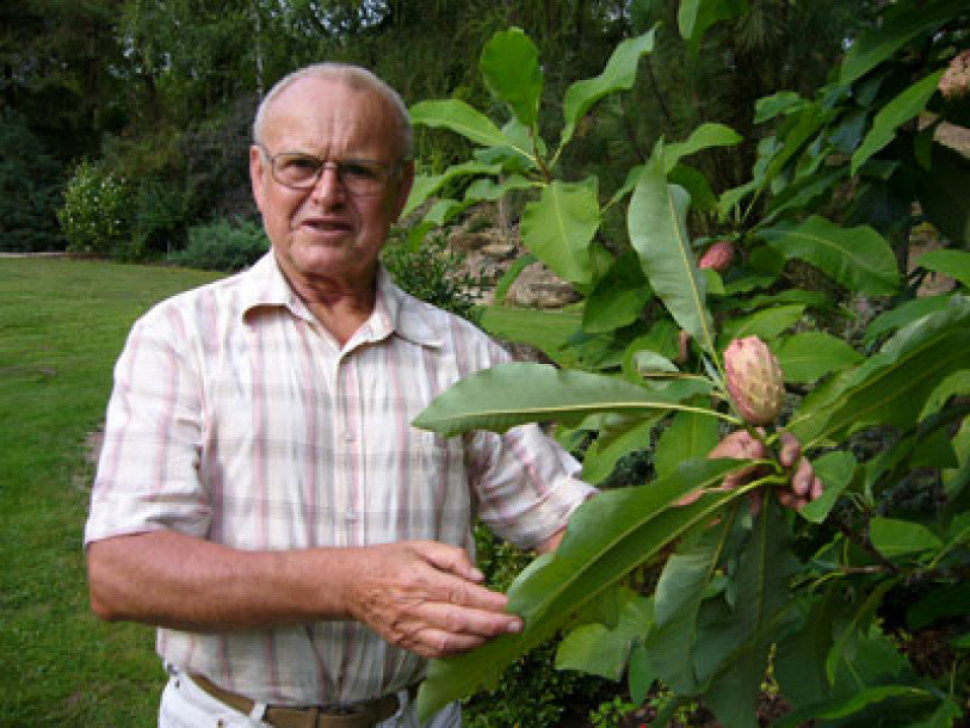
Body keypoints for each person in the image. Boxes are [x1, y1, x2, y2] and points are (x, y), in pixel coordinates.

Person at [85, 63, 822, 728]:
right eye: (301, 165)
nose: (327, 193)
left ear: (402, 188)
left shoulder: (461, 356)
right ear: (259, 176)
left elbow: (573, 534)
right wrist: (349, 584)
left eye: (361, 171)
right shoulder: (180, 338)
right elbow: (122, 572)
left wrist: (713, 486)